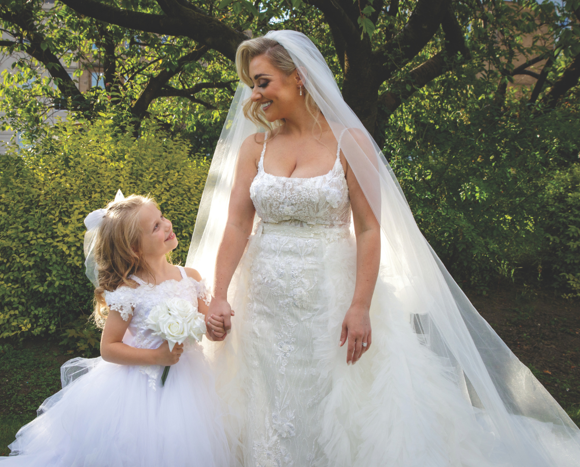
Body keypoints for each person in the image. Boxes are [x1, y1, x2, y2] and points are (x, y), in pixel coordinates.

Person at [188, 30, 580, 466]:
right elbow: (239, 223)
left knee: (335, 399)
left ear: (297, 77)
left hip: (329, 297)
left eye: (262, 81)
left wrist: (360, 306)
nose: (255, 94)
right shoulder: (254, 147)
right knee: (263, 393)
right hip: (260, 301)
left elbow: (370, 229)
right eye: (252, 84)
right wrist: (220, 295)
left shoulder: (349, 142)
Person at [0, 193, 231, 467]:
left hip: (189, 380)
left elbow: (206, 325)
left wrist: (215, 327)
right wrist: (156, 358)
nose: (167, 225)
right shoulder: (130, 291)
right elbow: (109, 348)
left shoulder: (189, 276)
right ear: (135, 248)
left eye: (161, 218)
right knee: (141, 448)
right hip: (139, 385)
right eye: (155, 227)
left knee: (185, 442)